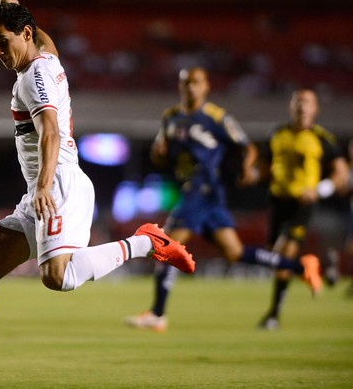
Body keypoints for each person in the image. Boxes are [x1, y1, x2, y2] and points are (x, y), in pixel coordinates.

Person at [0, 0, 195, 386]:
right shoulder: (46, 59)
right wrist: (17, 9)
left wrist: (43, 186)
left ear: (26, 34)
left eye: (3, 41)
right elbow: (47, 42)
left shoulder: (33, 78)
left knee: (57, 276)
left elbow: (50, 130)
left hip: (57, 185)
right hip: (43, 186)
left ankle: (144, 242)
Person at [123, 67, 323, 332]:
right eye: (185, 83)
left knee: (168, 243)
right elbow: (160, 155)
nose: (190, 88)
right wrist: (158, 152)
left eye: (195, 82)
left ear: (206, 87)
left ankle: (158, 314)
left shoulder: (216, 117)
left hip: (204, 187)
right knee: (234, 252)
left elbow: (247, 147)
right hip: (198, 191)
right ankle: (300, 265)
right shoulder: (170, 118)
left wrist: (245, 168)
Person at [257, 89, 349, 329]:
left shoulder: (321, 138)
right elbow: (264, 168)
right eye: (298, 102)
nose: (302, 107)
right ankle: (318, 266)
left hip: (303, 203)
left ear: (315, 109)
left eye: (307, 103)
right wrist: (251, 175)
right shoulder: (277, 134)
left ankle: (273, 315)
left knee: (280, 256)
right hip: (278, 202)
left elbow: (341, 173)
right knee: (273, 259)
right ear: (291, 106)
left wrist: (319, 190)